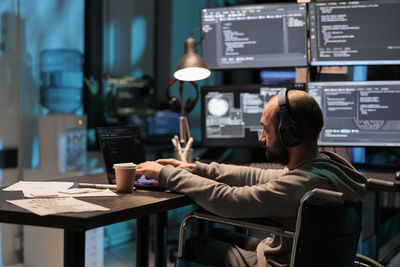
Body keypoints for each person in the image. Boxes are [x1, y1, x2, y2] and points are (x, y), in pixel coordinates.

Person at [136, 89, 367, 267]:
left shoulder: (300, 185)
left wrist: (166, 174)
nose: (260, 138)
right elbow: (257, 175)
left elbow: (229, 200)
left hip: (280, 263)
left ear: (289, 133)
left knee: (196, 246)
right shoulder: (326, 167)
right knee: (216, 234)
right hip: (302, 256)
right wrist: (194, 168)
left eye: (266, 129)